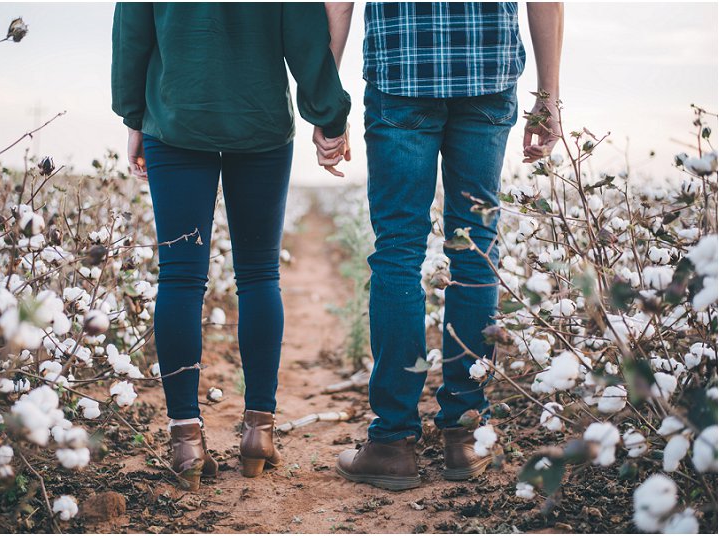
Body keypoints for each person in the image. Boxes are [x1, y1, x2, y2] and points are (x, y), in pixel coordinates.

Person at [318, 2, 563, 491]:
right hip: (486, 70)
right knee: (474, 252)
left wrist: (326, 101)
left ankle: (391, 444)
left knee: (397, 254)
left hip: (402, 73)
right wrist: (549, 95)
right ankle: (465, 432)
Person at [111, 2, 350, 491]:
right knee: (260, 275)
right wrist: (330, 115)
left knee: (179, 278)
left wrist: (134, 115)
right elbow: (304, 32)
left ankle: (185, 440)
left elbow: (131, 30)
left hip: (175, 120)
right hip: (260, 123)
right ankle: (258, 433)